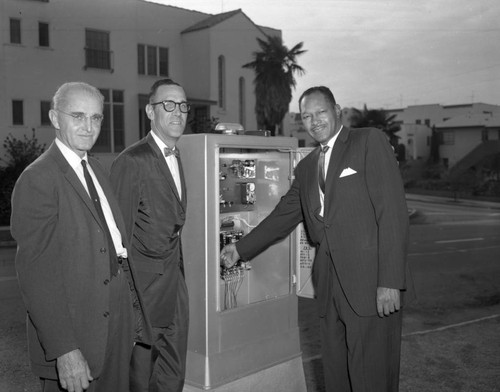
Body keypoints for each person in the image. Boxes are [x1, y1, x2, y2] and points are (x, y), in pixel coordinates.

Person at [221, 86, 413, 392]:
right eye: (306, 116)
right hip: (329, 285)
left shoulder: (368, 142)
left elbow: (392, 213)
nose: (314, 121)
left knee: (372, 375)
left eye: (321, 112)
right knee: (336, 373)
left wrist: (389, 281)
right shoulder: (307, 166)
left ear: (337, 111)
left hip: (370, 282)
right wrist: (240, 249)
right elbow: (283, 215)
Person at [11, 82, 151, 392]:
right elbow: (36, 276)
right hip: (77, 334)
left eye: (96, 117)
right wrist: (64, 349)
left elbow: (111, 245)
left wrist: (129, 315)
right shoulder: (38, 179)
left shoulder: (97, 168)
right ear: (55, 118)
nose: (89, 127)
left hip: (114, 324)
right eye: (78, 116)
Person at [110, 78, 190, 392]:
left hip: (175, 291)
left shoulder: (177, 155)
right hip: (143, 298)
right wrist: (129, 311)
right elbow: (118, 242)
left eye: (183, 106)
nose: (177, 112)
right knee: (139, 382)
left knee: (172, 378)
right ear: (149, 111)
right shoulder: (132, 161)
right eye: (168, 104)